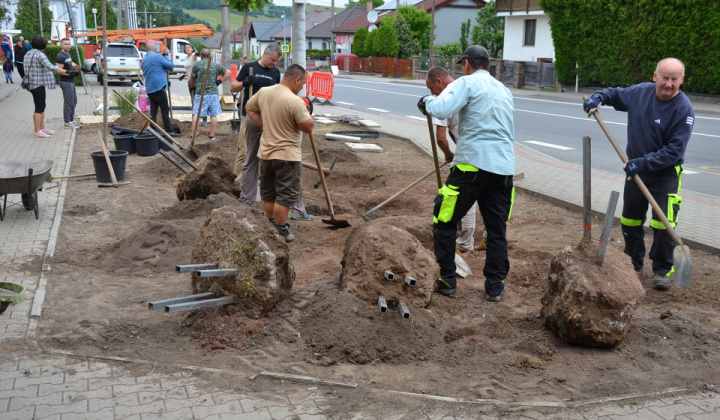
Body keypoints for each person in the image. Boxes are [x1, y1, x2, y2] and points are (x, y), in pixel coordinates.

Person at [583, 58, 694, 291]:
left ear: (681, 80)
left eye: (674, 79)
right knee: (631, 219)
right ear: (656, 77)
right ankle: (633, 263)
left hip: (664, 174)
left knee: (663, 224)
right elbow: (614, 94)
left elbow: (674, 151)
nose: (669, 84)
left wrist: (643, 163)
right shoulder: (640, 93)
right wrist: (599, 97)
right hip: (635, 171)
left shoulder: (683, 109)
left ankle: (662, 270)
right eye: (665, 78)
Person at [418, 45, 515, 301]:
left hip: (471, 165)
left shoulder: (466, 83)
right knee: (497, 230)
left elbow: (440, 109)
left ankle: (447, 280)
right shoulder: (504, 90)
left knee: (444, 218)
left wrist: (426, 101)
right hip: (503, 169)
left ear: (467, 65)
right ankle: (495, 287)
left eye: (463, 65)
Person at [230, 44, 314, 219]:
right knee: (252, 158)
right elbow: (234, 88)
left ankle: (297, 210)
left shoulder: (276, 73)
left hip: (273, 118)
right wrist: (245, 83)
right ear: (265, 53)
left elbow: (282, 92)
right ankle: (247, 201)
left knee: (278, 160)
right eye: (273, 59)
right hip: (254, 118)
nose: (274, 63)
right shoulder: (249, 67)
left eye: (277, 61)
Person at [245, 64, 314, 243]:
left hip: (266, 154)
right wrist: (306, 112)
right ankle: (280, 229)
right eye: (303, 83)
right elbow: (308, 127)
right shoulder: (294, 101)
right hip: (287, 157)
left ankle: (269, 226)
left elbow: (249, 108)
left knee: (268, 193)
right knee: (284, 196)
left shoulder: (264, 92)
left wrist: (262, 123)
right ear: (297, 80)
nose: (302, 88)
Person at [425, 66, 479, 253]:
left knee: (462, 198)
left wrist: (448, 154)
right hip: (489, 155)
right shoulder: (469, 90)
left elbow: (440, 138)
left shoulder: (444, 99)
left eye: (431, 88)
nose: (431, 92)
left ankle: (464, 245)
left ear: (439, 81)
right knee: (488, 198)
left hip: (468, 157)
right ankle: (487, 239)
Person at [25, 36, 75, 138]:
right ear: (43, 45)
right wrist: (68, 72)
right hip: (37, 83)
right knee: (39, 107)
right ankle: (37, 130)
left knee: (42, 105)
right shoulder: (40, 55)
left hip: (32, 83)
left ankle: (42, 127)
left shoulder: (28, 53)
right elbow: (51, 67)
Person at [190, 48, 230, 140]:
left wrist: (192, 86)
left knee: (196, 113)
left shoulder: (197, 64)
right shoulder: (215, 65)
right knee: (213, 114)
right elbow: (228, 72)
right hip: (213, 93)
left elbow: (192, 78)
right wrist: (219, 81)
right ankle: (212, 134)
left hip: (200, 92)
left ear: (201, 56)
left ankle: (194, 134)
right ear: (209, 56)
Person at [141, 43, 180, 137]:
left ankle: (153, 129)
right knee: (164, 109)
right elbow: (170, 66)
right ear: (154, 49)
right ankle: (169, 130)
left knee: (153, 110)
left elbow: (153, 71)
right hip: (158, 87)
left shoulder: (144, 59)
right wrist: (166, 56)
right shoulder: (158, 57)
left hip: (150, 88)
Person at [55, 38, 81, 129]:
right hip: (65, 82)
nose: (67, 46)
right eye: (65, 44)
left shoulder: (67, 54)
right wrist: (69, 72)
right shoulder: (60, 56)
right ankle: (67, 122)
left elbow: (71, 63)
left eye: (69, 44)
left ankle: (71, 120)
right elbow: (58, 70)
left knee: (74, 101)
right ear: (61, 45)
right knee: (69, 102)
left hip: (71, 81)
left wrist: (78, 67)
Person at [179, 43, 206, 126]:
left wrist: (198, 53)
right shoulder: (186, 58)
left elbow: (197, 55)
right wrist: (185, 74)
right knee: (193, 99)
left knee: (199, 98)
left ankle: (204, 118)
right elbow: (190, 69)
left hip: (196, 80)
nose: (187, 49)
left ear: (192, 49)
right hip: (189, 80)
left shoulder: (194, 55)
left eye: (189, 47)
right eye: (186, 48)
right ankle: (196, 118)